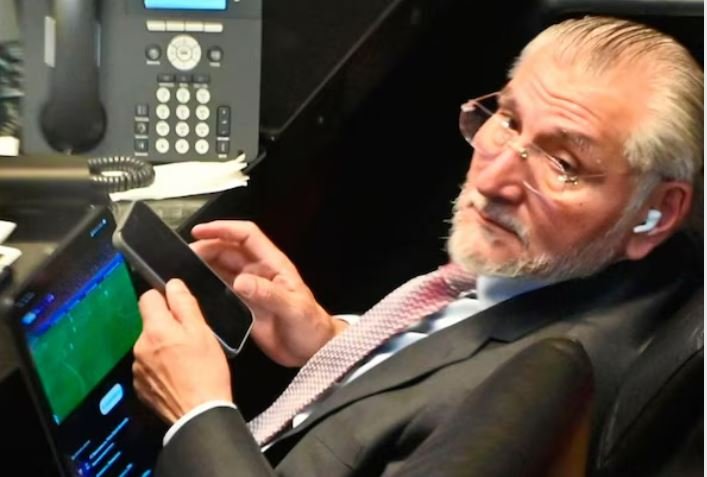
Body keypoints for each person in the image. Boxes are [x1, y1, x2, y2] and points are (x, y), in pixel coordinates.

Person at [131, 16, 703, 477]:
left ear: (657, 214)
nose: (493, 179)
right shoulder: (607, 279)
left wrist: (197, 412)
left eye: (563, 163)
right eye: (508, 119)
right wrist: (334, 342)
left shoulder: (537, 402)